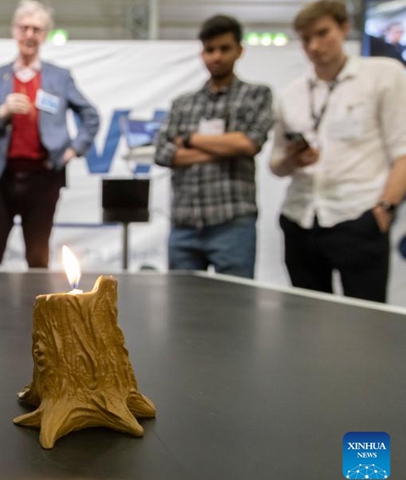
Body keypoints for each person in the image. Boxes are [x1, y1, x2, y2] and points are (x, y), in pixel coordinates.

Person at [270, 0, 406, 303]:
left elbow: (403, 152)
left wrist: (385, 210)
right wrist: (293, 160)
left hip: (357, 216)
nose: (315, 46)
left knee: (365, 324)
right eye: (306, 39)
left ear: (344, 28)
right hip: (300, 218)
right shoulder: (290, 94)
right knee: (306, 322)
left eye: (323, 33)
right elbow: (276, 166)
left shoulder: (384, 75)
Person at [0, 0, 99, 268]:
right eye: (24, 28)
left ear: (45, 35)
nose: (30, 34)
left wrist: (74, 148)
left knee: (38, 257)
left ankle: (39, 310)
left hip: (44, 177)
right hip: (0, 178)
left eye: (36, 29)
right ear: (14, 31)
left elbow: (90, 116)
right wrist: (2, 111)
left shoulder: (59, 77)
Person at [154, 15, 273, 279]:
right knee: (183, 309)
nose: (216, 56)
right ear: (202, 53)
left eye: (224, 48)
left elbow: (248, 143)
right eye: (210, 50)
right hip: (184, 225)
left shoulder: (256, 95)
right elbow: (163, 153)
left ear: (239, 50)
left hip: (232, 224)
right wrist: (224, 147)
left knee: (235, 310)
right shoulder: (183, 103)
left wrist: (189, 140)